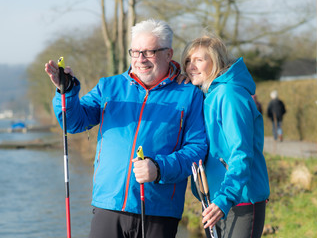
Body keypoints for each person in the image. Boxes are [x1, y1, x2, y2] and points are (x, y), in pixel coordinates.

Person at [45, 19, 207, 238]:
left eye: (149, 52)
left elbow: (197, 150)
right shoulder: (108, 87)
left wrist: (159, 168)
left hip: (158, 211)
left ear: (169, 54)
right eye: (135, 51)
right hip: (108, 204)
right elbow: (73, 123)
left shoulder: (189, 94)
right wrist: (68, 92)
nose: (140, 59)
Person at [180, 35, 270, 238]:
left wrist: (224, 198)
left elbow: (241, 153)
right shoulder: (206, 95)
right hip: (214, 200)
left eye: (199, 60)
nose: (191, 66)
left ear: (216, 62)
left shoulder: (229, 95)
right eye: (187, 61)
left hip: (239, 198)